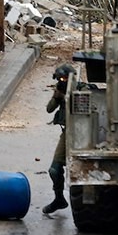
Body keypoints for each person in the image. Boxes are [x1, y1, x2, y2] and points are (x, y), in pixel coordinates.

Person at [42, 64, 75, 215]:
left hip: (81, 132)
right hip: (67, 132)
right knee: (54, 170)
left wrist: (67, 98)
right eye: (60, 79)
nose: (62, 81)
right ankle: (59, 198)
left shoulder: (80, 89)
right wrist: (57, 96)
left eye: (64, 79)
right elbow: (49, 109)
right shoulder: (60, 89)